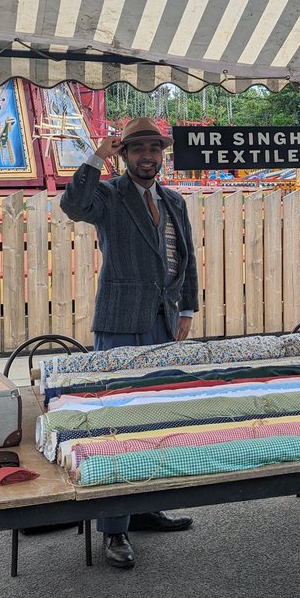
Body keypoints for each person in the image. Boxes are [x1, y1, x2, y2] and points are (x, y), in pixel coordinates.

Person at [60, 117, 198, 570]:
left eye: (154, 149)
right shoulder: (109, 195)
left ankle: (144, 508)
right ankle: (113, 528)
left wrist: (188, 310)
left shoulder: (174, 201)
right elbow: (73, 204)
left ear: (163, 155)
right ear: (123, 156)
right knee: (116, 424)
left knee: (156, 417)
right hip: (120, 323)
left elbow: (186, 260)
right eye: (137, 150)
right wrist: (96, 157)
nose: (147, 157)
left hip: (163, 322)